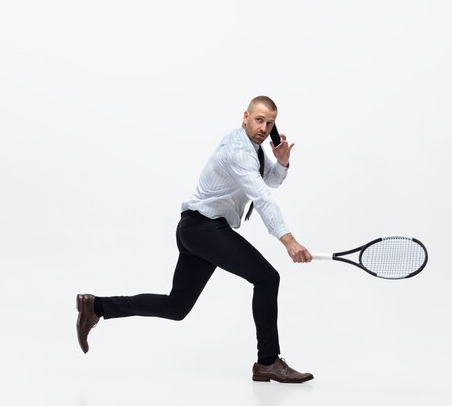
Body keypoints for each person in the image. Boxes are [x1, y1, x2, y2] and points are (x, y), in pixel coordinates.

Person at [76, 96, 314, 383]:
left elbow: (270, 180)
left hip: (195, 230)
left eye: (270, 122)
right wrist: (289, 241)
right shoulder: (238, 150)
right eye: (259, 119)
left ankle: (96, 307)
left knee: (176, 307)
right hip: (204, 229)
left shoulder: (256, 151)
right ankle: (268, 362)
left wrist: (283, 161)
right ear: (245, 117)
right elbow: (262, 197)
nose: (264, 127)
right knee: (267, 278)